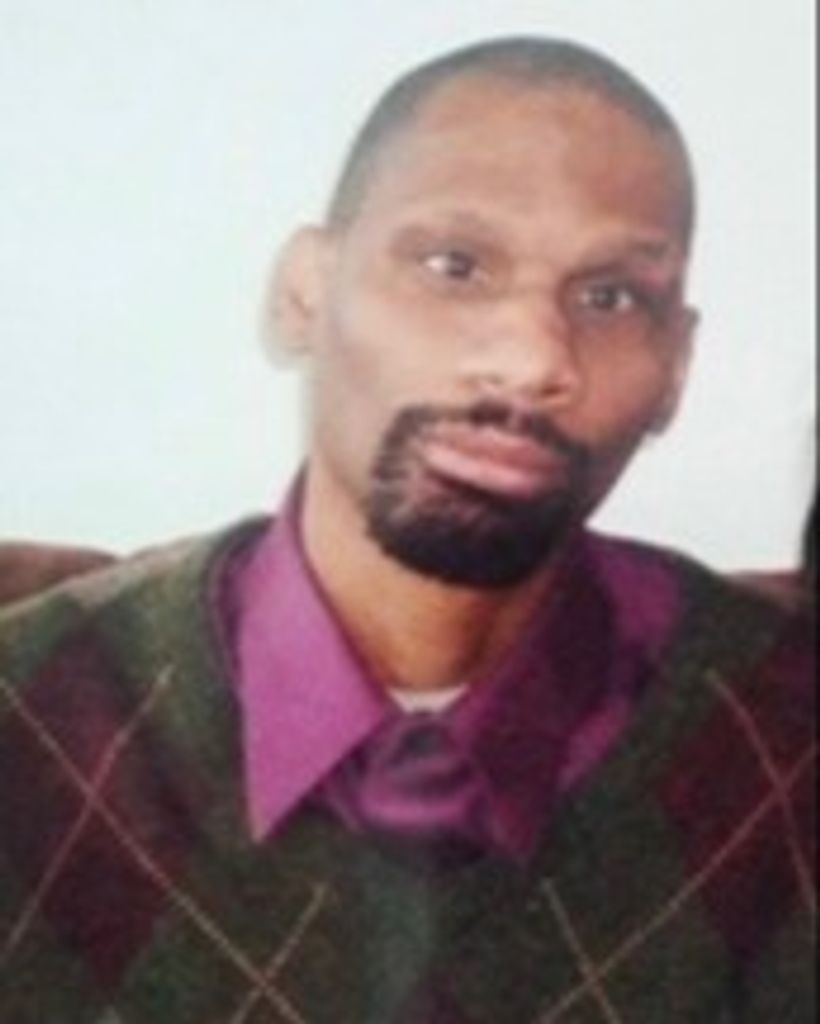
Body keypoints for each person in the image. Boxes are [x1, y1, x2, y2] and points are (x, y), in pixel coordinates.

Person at [0, 37, 814, 1023]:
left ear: (675, 367)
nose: (532, 360)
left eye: (611, 297)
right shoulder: (30, 718)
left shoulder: (786, 735)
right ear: (304, 293)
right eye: (454, 266)